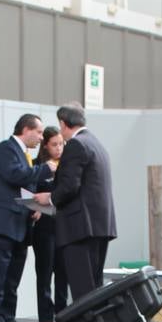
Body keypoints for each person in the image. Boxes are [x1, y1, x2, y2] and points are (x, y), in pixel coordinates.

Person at [0, 114, 49, 322]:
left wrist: (35, 206)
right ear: (26, 130)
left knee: (12, 276)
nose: (41, 138)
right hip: (2, 223)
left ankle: (8, 317)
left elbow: (24, 185)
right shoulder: (6, 148)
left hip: (19, 224)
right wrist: (47, 168)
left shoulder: (23, 154)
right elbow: (16, 176)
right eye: (38, 132)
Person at [46, 104, 116, 299]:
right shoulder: (96, 143)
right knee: (95, 288)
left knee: (83, 290)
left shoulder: (76, 145)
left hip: (79, 228)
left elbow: (69, 186)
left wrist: (49, 198)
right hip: (100, 226)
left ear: (63, 123)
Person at [29, 126, 68, 322]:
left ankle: (62, 314)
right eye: (54, 144)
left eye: (61, 144)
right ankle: (45, 317)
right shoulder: (37, 166)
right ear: (45, 146)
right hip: (43, 226)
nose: (59, 148)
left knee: (63, 272)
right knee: (44, 272)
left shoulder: (68, 166)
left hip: (63, 225)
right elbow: (30, 192)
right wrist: (35, 208)